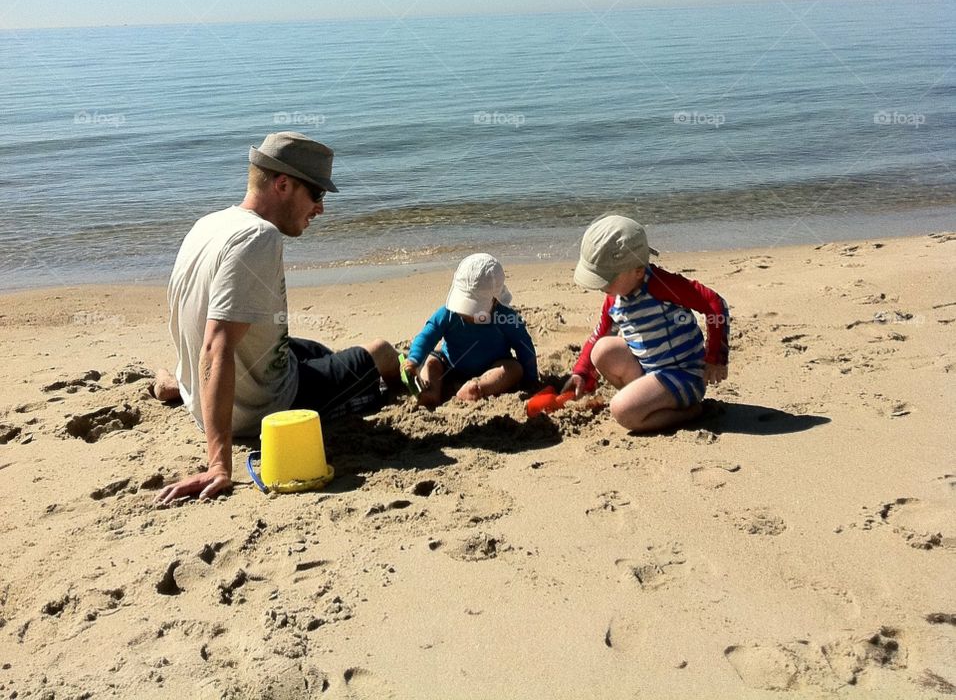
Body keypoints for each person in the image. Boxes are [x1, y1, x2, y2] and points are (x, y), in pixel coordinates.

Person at [154, 132, 399, 505]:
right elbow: (217, 345)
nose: (320, 208)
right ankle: (396, 391)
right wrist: (218, 465)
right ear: (283, 184)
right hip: (261, 409)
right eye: (316, 194)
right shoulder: (259, 237)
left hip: (204, 396)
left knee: (315, 350)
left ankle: (177, 383)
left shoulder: (210, 223)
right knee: (380, 354)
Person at [561, 214, 729, 433]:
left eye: (606, 278)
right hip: (650, 371)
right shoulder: (614, 297)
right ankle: (641, 402)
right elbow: (600, 333)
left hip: (683, 376)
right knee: (601, 349)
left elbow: (714, 304)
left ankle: (690, 412)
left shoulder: (663, 285)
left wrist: (715, 357)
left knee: (622, 412)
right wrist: (583, 373)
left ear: (638, 271)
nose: (601, 286)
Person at [402, 253, 538, 406]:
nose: (466, 313)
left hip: (492, 367)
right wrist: (414, 359)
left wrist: (531, 380)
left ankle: (477, 388)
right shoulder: (448, 313)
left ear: (495, 300)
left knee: (514, 369)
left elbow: (524, 345)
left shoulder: (505, 317)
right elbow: (427, 335)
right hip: (449, 365)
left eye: (474, 309)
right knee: (431, 363)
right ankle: (431, 392)